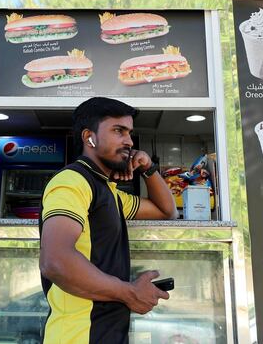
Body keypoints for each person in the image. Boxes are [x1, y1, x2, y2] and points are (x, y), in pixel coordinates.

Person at [39, 97, 177, 344]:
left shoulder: (108, 192)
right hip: (77, 337)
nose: (129, 141)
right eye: (118, 130)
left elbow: (166, 211)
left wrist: (147, 167)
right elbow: (55, 261)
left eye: (130, 133)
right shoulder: (72, 181)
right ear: (89, 137)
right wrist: (130, 293)